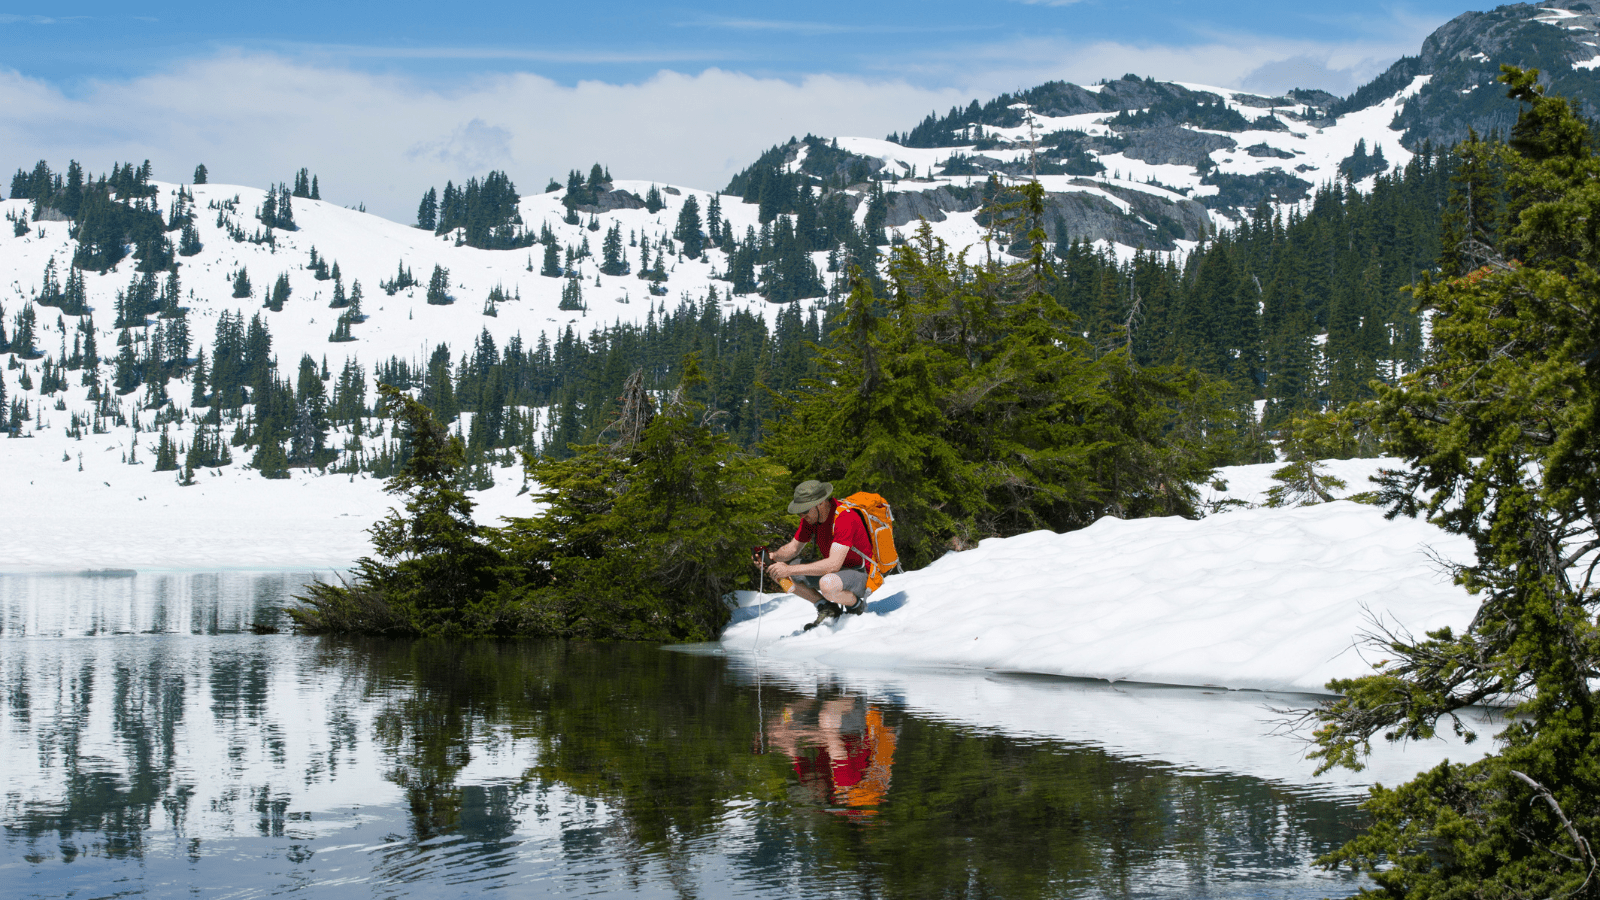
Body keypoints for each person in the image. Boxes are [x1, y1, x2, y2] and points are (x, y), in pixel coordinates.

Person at [759, 479, 874, 629]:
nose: (802, 515)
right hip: (838, 573)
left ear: (820, 503)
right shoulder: (811, 518)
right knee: (781, 574)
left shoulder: (845, 517)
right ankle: (826, 607)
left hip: (861, 574)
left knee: (827, 583)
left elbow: (833, 564)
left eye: (805, 510)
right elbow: (793, 549)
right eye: (800, 511)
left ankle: (856, 606)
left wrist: (789, 569)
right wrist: (772, 557)